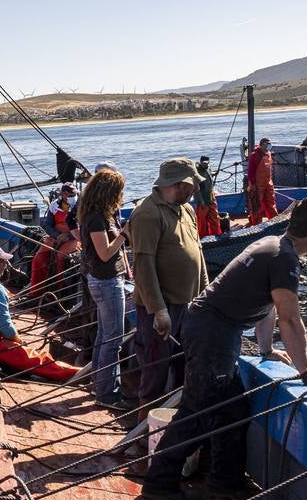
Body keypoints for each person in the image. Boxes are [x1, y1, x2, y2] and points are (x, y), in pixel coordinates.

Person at [141, 196, 307, 500]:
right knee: (197, 410)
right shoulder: (283, 257)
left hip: (215, 330)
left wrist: (266, 349)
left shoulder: (274, 246)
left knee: (231, 410)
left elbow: (268, 306)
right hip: (213, 333)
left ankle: (225, 481)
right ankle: (159, 482)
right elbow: (290, 318)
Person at [126, 158, 208, 409]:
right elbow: (144, 265)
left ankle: (175, 425)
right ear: (180, 183)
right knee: (155, 368)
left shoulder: (187, 211)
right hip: (161, 308)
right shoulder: (147, 213)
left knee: (185, 365)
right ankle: (142, 432)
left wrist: (206, 295)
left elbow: (198, 253)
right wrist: (159, 310)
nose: (196, 189)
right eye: (193, 184)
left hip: (188, 304)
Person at [0, 244, 80, 382]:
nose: (5, 265)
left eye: (5, 261)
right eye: (1, 261)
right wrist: (19, 341)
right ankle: (78, 374)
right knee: (36, 359)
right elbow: (5, 326)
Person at [77, 167, 130, 409]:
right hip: (106, 282)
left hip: (103, 280)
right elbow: (105, 253)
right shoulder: (97, 219)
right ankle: (108, 393)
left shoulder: (100, 215)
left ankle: (100, 383)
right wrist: (124, 235)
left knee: (103, 335)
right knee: (113, 339)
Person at [27, 184, 79, 298]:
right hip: (55, 238)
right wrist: (57, 235)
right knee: (38, 259)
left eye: (74, 194)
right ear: (63, 195)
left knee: (60, 257)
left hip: (75, 239)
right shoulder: (54, 206)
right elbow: (47, 225)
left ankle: (59, 291)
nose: (72, 196)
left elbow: (84, 227)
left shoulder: (80, 206)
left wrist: (68, 235)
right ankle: (35, 292)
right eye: (70, 194)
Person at [247, 137, 278, 225]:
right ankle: (257, 223)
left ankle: (274, 221)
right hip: (258, 184)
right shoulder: (255, 155)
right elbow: (251, 171)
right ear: (261, 145)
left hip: (268, 183)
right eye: (266, 144)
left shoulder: (268, 154)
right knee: (257, 205)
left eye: (269, 144)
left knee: (271, 203)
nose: (269, 146)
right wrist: (252, 184)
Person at [193, 156, 221, 237]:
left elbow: (208, 174)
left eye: (207, 163)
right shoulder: (196, 173)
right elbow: (197, 190)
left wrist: (213, 174)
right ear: (200, 162)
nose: (206, 164)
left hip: (211, 198)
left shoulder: (208, 168)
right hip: (203, 200)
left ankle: (216, 233)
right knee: (202, 221)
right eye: (204, 163)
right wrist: (201, 202)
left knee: (215, 217)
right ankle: (203, 236)